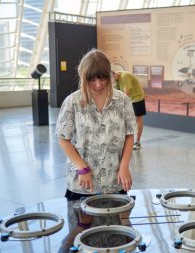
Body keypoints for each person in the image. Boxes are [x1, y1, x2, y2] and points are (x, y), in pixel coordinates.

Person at [55, 48, 137, 200]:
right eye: (92, 80)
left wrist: (124, 167)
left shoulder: (123, 101)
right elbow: (63, 139)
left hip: (115, 180)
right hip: (83, 184)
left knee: (117, 223)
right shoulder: (72, 102)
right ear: (83, 77)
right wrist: (82, 168)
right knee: (81, 223)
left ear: (109, 75)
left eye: (103, 78)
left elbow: (129, 135)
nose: (98, 85)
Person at [113, 71, 146, 150]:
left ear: (114, 75)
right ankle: (124, 142)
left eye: (111, 79)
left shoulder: (125, 76)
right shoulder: (115, 80)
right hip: (128, 100)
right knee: (125, 120)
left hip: (137, 99)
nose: (111, 81)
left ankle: (137, 142)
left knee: (138, 119)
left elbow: (126, 93)